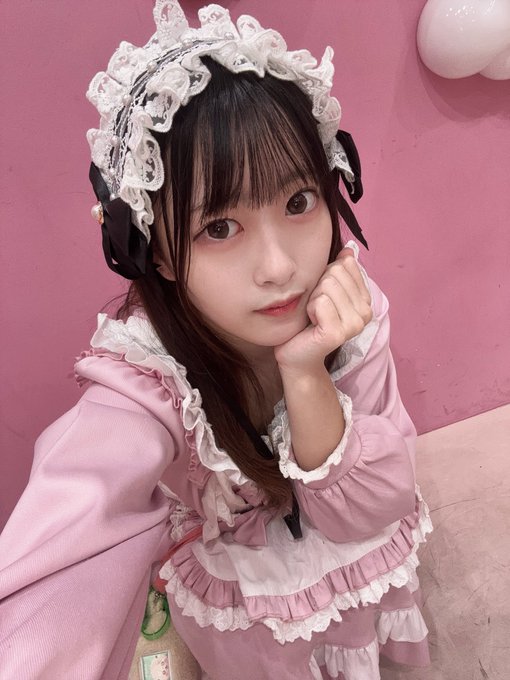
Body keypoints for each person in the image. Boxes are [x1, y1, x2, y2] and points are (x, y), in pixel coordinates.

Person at [0, 2, 433, 678]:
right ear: (159, 254)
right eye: (219, 228)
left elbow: (375, 506)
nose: (279, 267)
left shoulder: (352, 311)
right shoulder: (147, 376)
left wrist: (306, 371)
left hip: (350, 570)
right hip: (251, 611)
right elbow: (63, 549)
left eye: (298, 202)